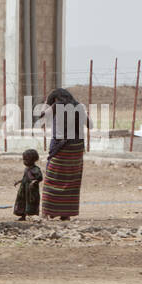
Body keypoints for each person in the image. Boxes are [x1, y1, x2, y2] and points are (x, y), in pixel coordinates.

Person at [42, 88, 88, 221]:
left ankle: (48, 212)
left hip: (61, 148)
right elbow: (90, 124)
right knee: (71, 181)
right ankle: (66, 214)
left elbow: (42, 115)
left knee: (52, 179)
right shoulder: (79, 107)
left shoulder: (57, 106)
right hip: (77, 149)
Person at [14, 148, 42, 220]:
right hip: (24, 189)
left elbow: (39, 178)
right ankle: (23, 215)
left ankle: (31, 215)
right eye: (24, 160)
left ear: (33, 160)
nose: (24, 162)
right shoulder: (27, 169)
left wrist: (34, 181)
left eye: (26, 160)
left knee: (31, 202)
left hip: (31, 191)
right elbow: (25, 178)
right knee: (22, 201)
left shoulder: (36, 169)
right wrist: (19, 181)